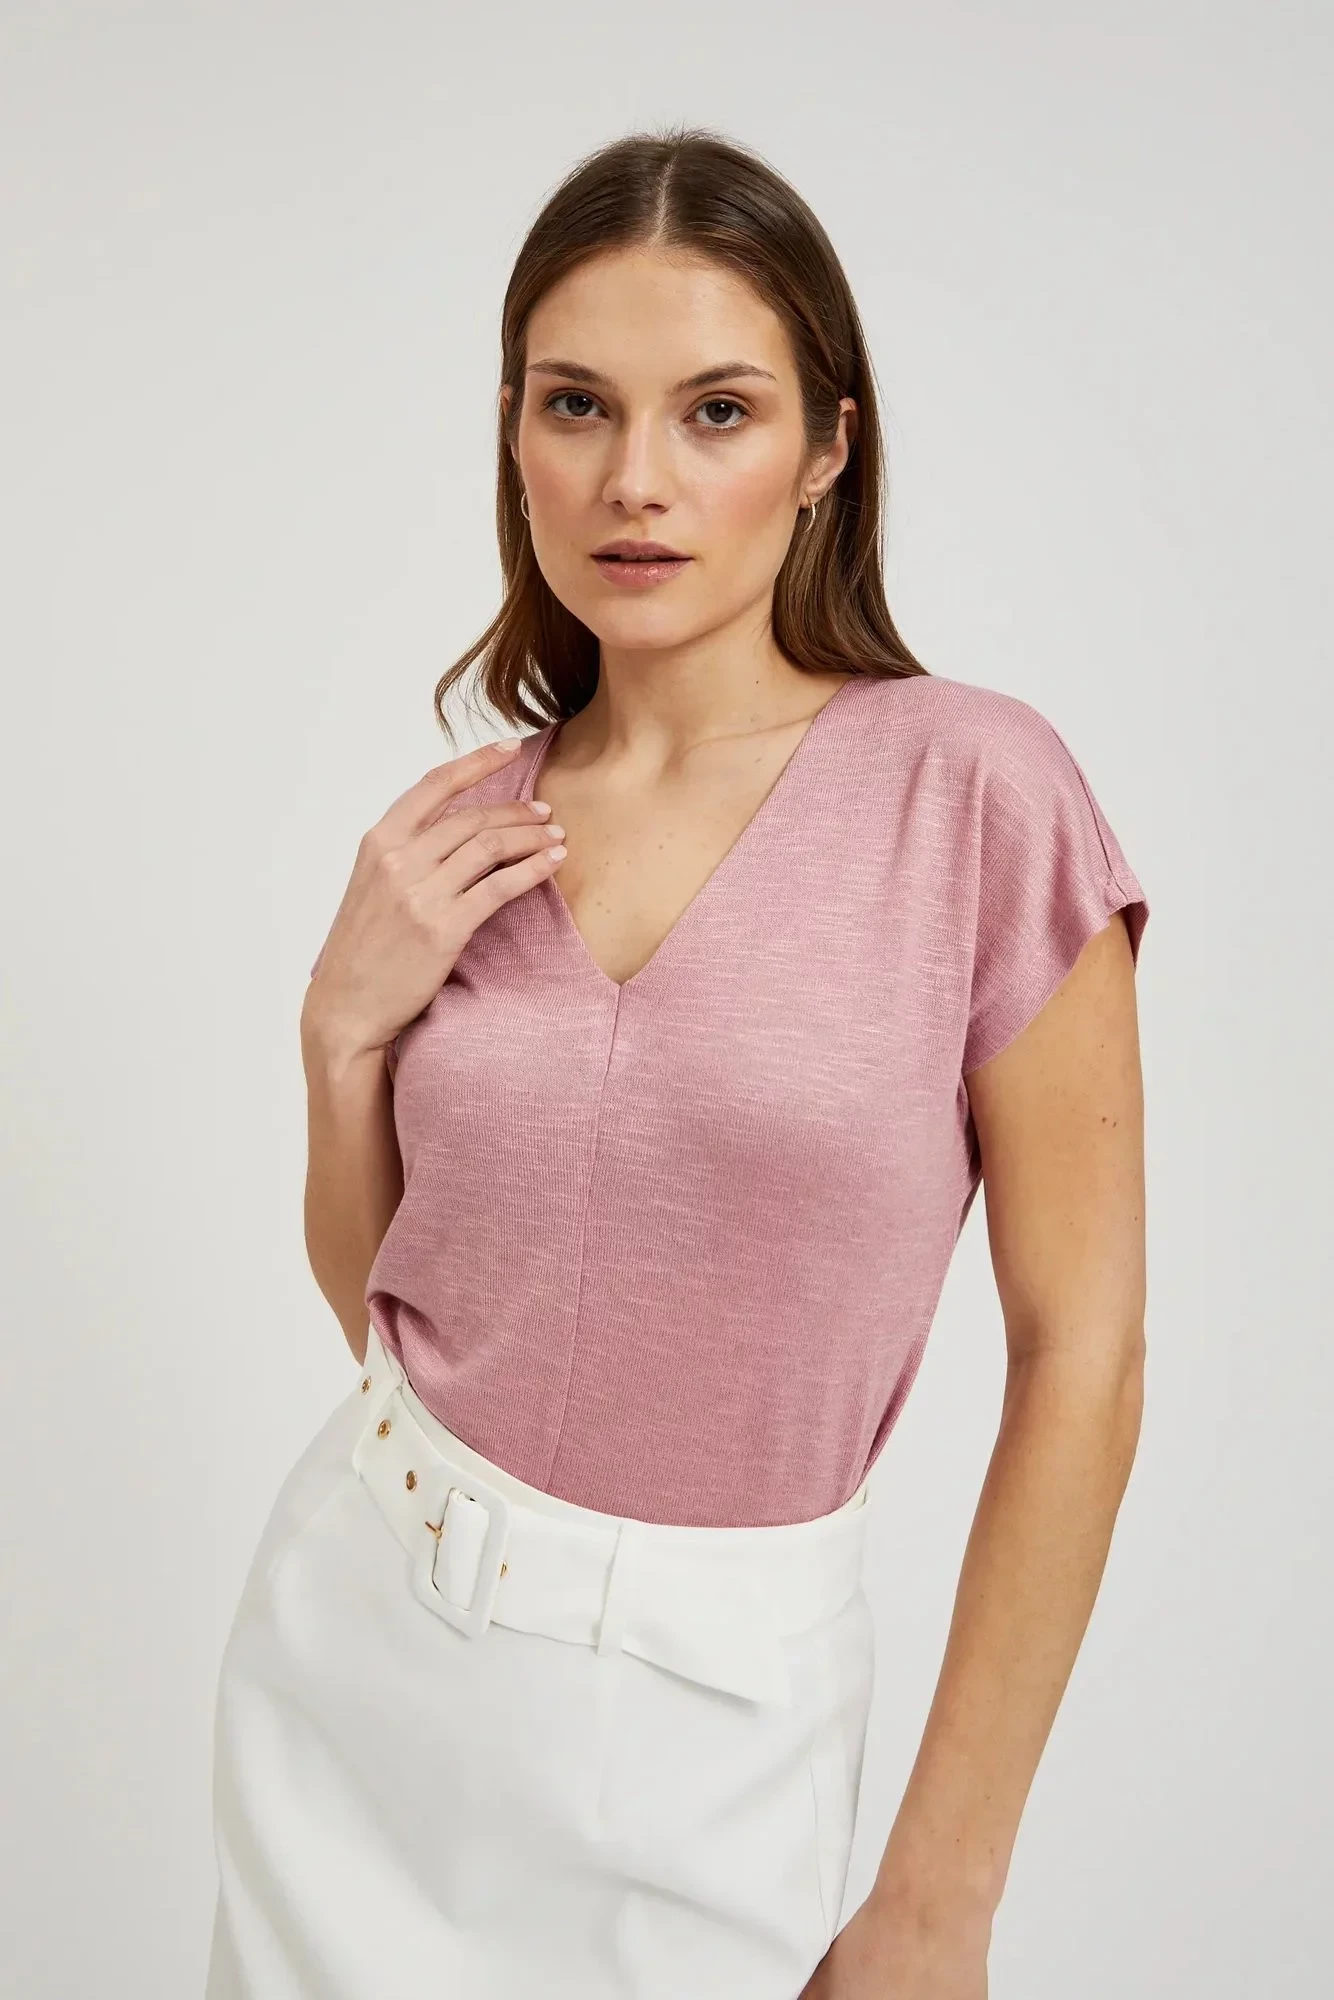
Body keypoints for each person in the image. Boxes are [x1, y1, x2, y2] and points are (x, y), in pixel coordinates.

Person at [206, 124, 1150, 2000]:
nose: (633, 480)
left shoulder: (974, 795)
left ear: (827, 447)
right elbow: (398, 1318)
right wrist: (339, 1034)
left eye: (716, 411)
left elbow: (1084, 1355)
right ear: (514, 433)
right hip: (353, 1671)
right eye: (577, 405)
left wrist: (939, 1902)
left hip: (711, 1731)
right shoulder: (462, 831)